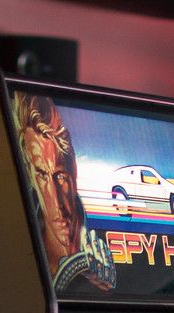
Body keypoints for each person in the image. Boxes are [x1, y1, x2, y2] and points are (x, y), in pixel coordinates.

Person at [9, 90, 115, 294]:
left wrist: (106, 290)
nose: (54, 199)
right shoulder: (18, 253)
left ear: (73, 169)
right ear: (30, 175)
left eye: (59, 176)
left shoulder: (106, 244)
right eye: (41, 174)